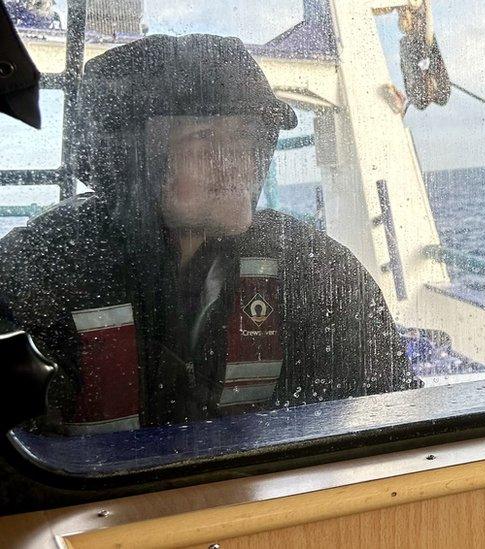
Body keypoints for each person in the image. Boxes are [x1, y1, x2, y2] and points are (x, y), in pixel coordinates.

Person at [0, 34, 420, 434]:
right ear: (130, 158)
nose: (238, 162)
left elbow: (389, 428)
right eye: (206, 138)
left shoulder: (315, 270)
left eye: (245, 138)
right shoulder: (35, 274)